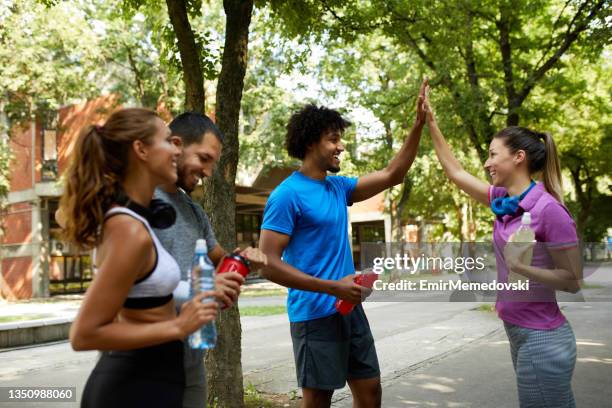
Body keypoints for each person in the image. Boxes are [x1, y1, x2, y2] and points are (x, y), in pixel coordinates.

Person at [259, 79, 428, 408]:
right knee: (319, 401)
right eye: (333, 139)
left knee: (371, 392)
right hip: (314, 316)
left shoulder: (338, 188)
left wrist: (418, 125)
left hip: (350, 310)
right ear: (310, 143)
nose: (340, 147)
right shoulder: (286, 195)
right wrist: (331, 287)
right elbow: (267, 263)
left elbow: (394, 173)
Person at [423, 86, 581, 407]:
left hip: (542, 338)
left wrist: (523, 267)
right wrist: (430, 122)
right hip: (519, 332)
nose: (486, 162)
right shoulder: (504, 202)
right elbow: (455, 172)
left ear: (518, 157)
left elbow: (572, 280)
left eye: (494, 154)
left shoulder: (548, 210)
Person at [62, 108, 219, 407]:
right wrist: (178, 326)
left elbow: (144, 294)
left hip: (158, 378)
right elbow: (84, 334)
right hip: (133, 386)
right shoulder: (129, 230)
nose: (176, 148)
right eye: (167, 141)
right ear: (142, 150)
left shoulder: (138, 219)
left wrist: (203, 289)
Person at [153, 111, 267, 408]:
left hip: (189, 355)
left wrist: (244, 258)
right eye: (203, 158)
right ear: (176, 145)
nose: (207, 171)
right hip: (147, 356)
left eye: (212, 163)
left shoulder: (194, 211)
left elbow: (220, 260)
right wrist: (200, 290)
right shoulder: (138, 203)